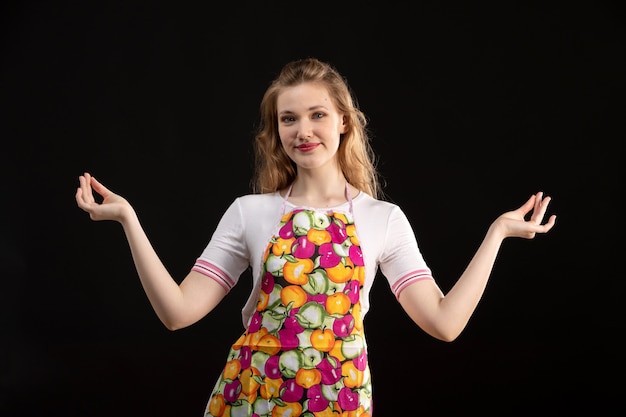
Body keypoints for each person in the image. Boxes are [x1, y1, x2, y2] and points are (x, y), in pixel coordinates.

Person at [75, 57, 556, 417]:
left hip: (339, 405)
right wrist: (129, 221)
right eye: (288, 119)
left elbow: (444, 323)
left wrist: (497, 234)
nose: (303, 130)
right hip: (251, 399)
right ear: (276, 130)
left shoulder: (383, 219)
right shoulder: (250, 213)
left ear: (343, 121)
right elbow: (177, 313)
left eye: (317, 115)